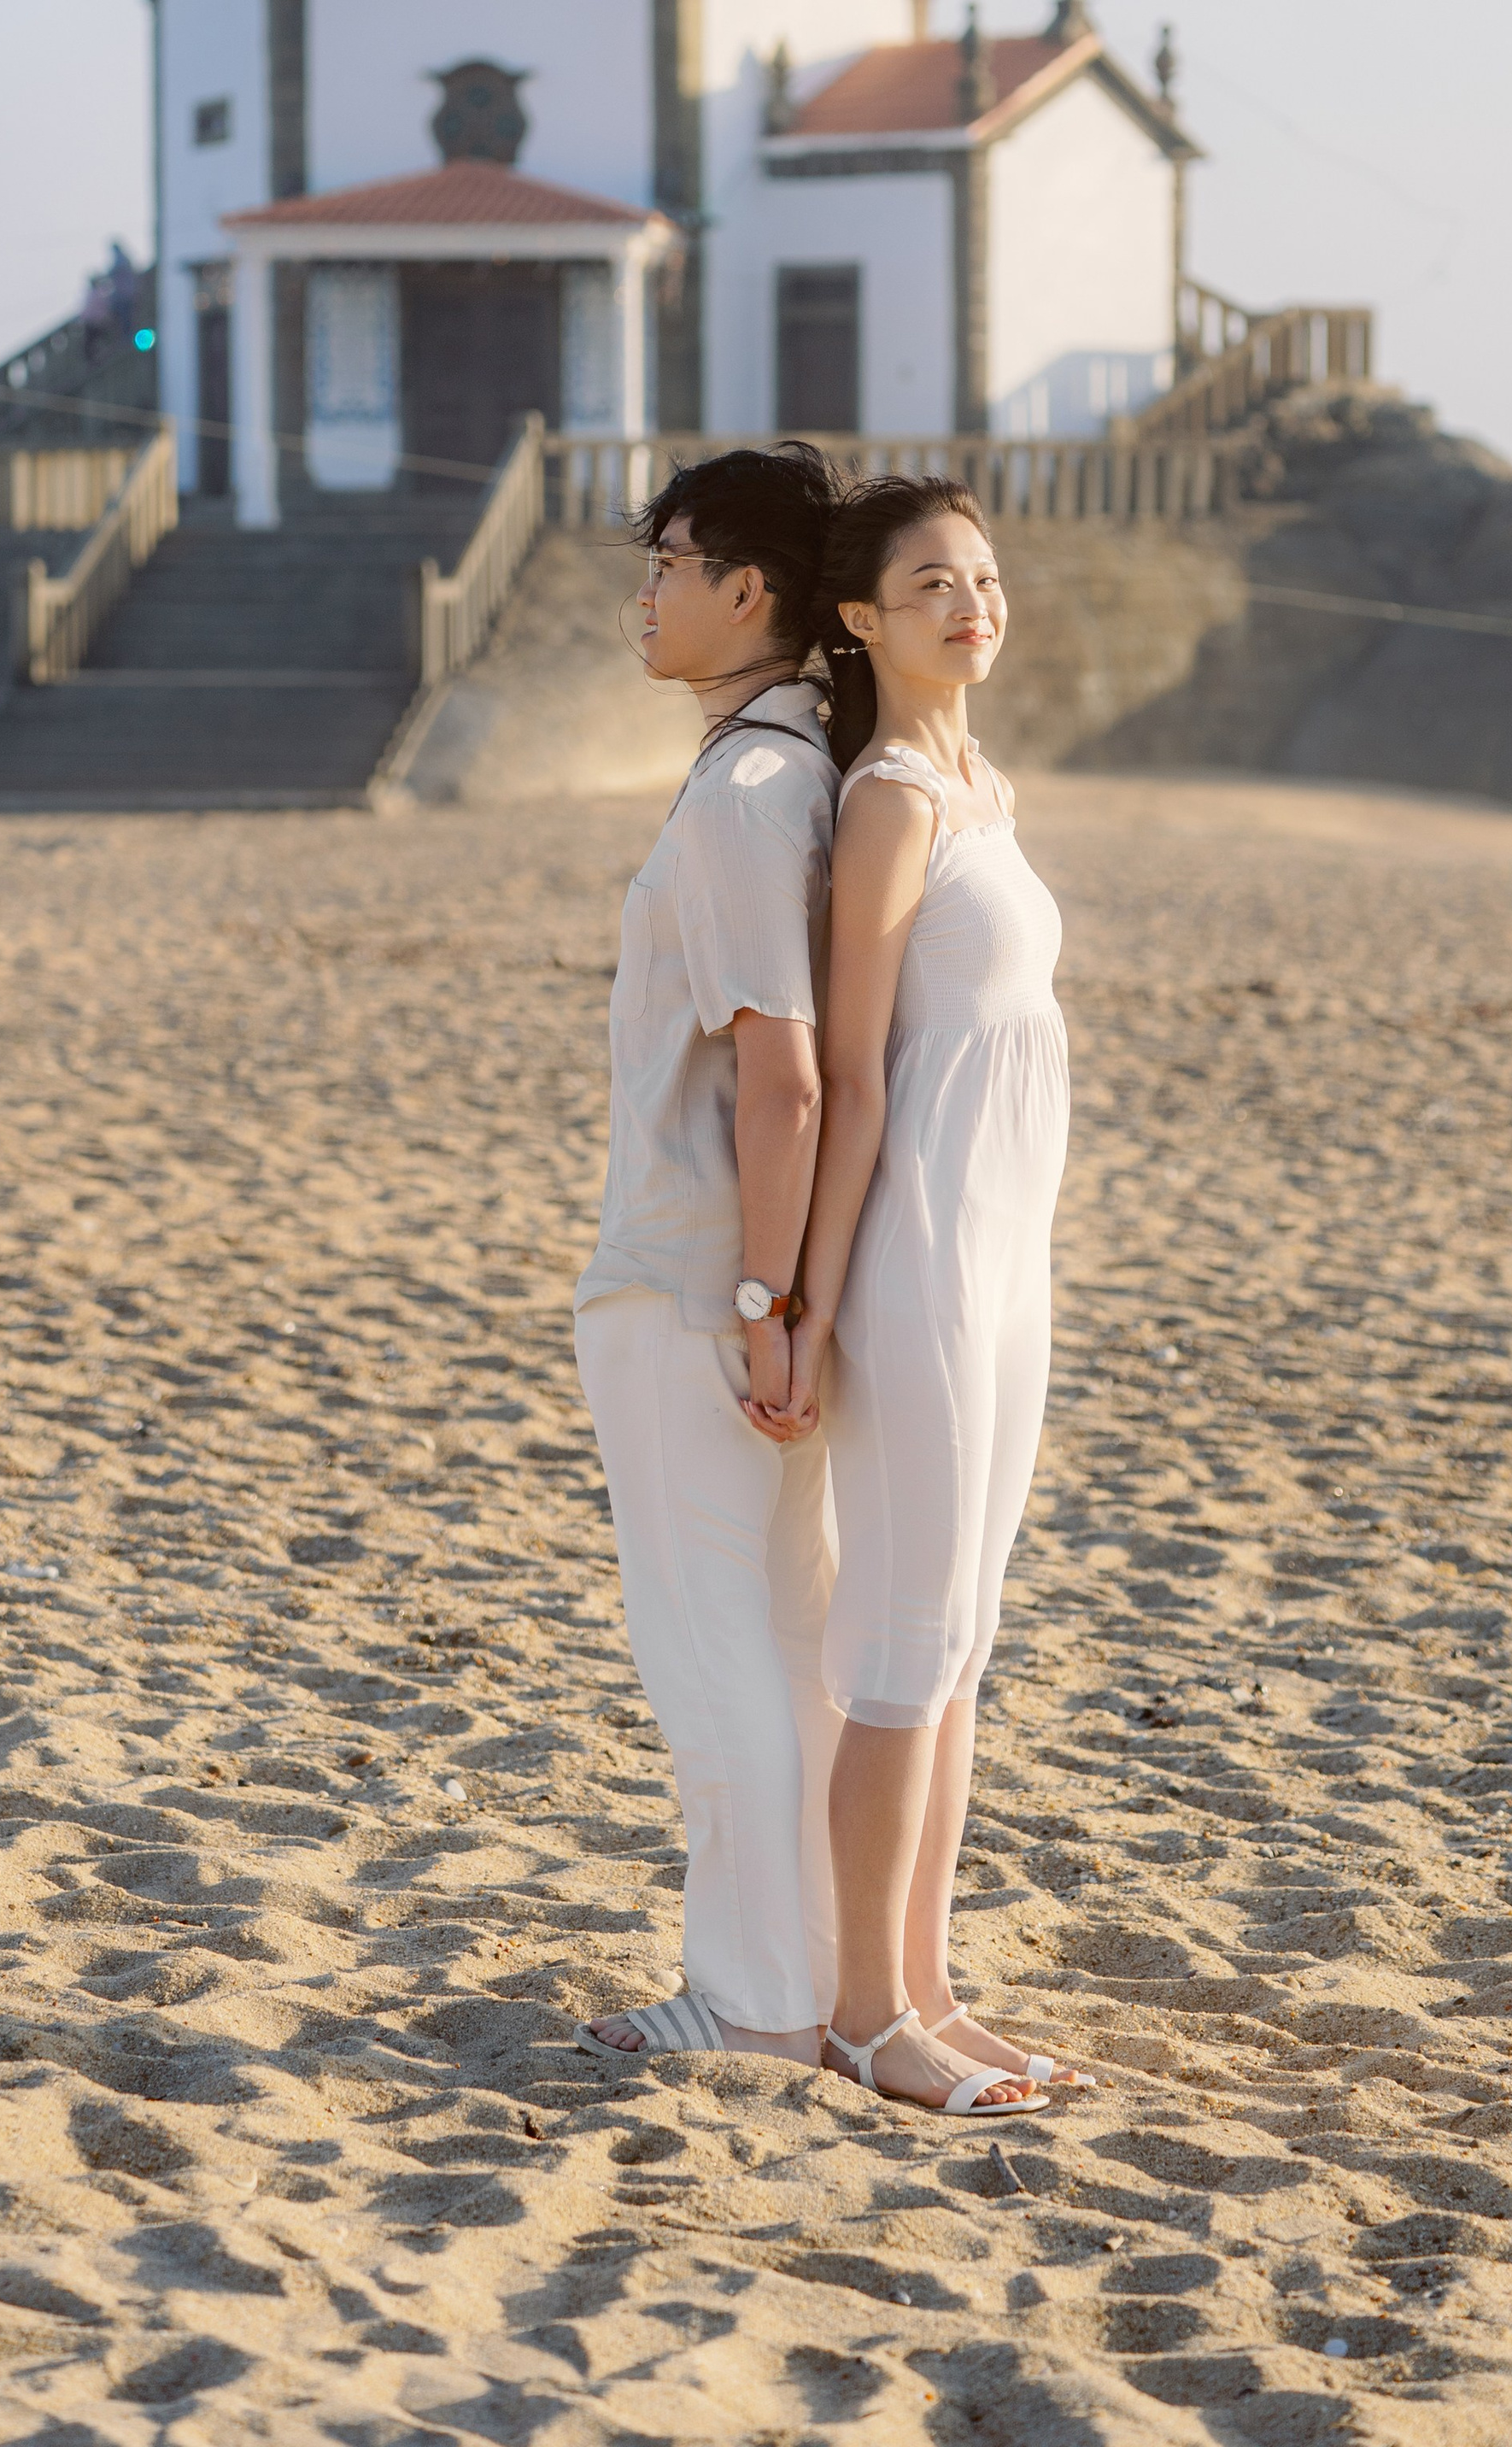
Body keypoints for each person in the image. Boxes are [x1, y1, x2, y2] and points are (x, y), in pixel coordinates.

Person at [786, 477, 1084, 2115]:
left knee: (961, 1640)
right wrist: (808, 1304)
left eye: (984, 579)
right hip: (919, 1265)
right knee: (907, 1644)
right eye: (932, 587)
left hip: (1007, 1261)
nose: (974, 607)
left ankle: (928, 1990)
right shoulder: (892, 802)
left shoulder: (984, 786)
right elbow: (851, 1076)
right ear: (862, 619)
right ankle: (860, 2017)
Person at [573, 445, 844, 2067]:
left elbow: (782, 1076)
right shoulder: (802, 769)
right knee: (789, 1643)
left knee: (710, 1648)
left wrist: (762, 1300)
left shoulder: (751, 793)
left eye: (669, 562)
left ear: (749, 591)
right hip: (750, 1284)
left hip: (697, 1280)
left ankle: (749, 2002)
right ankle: (803, 1983)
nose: (648, 593)